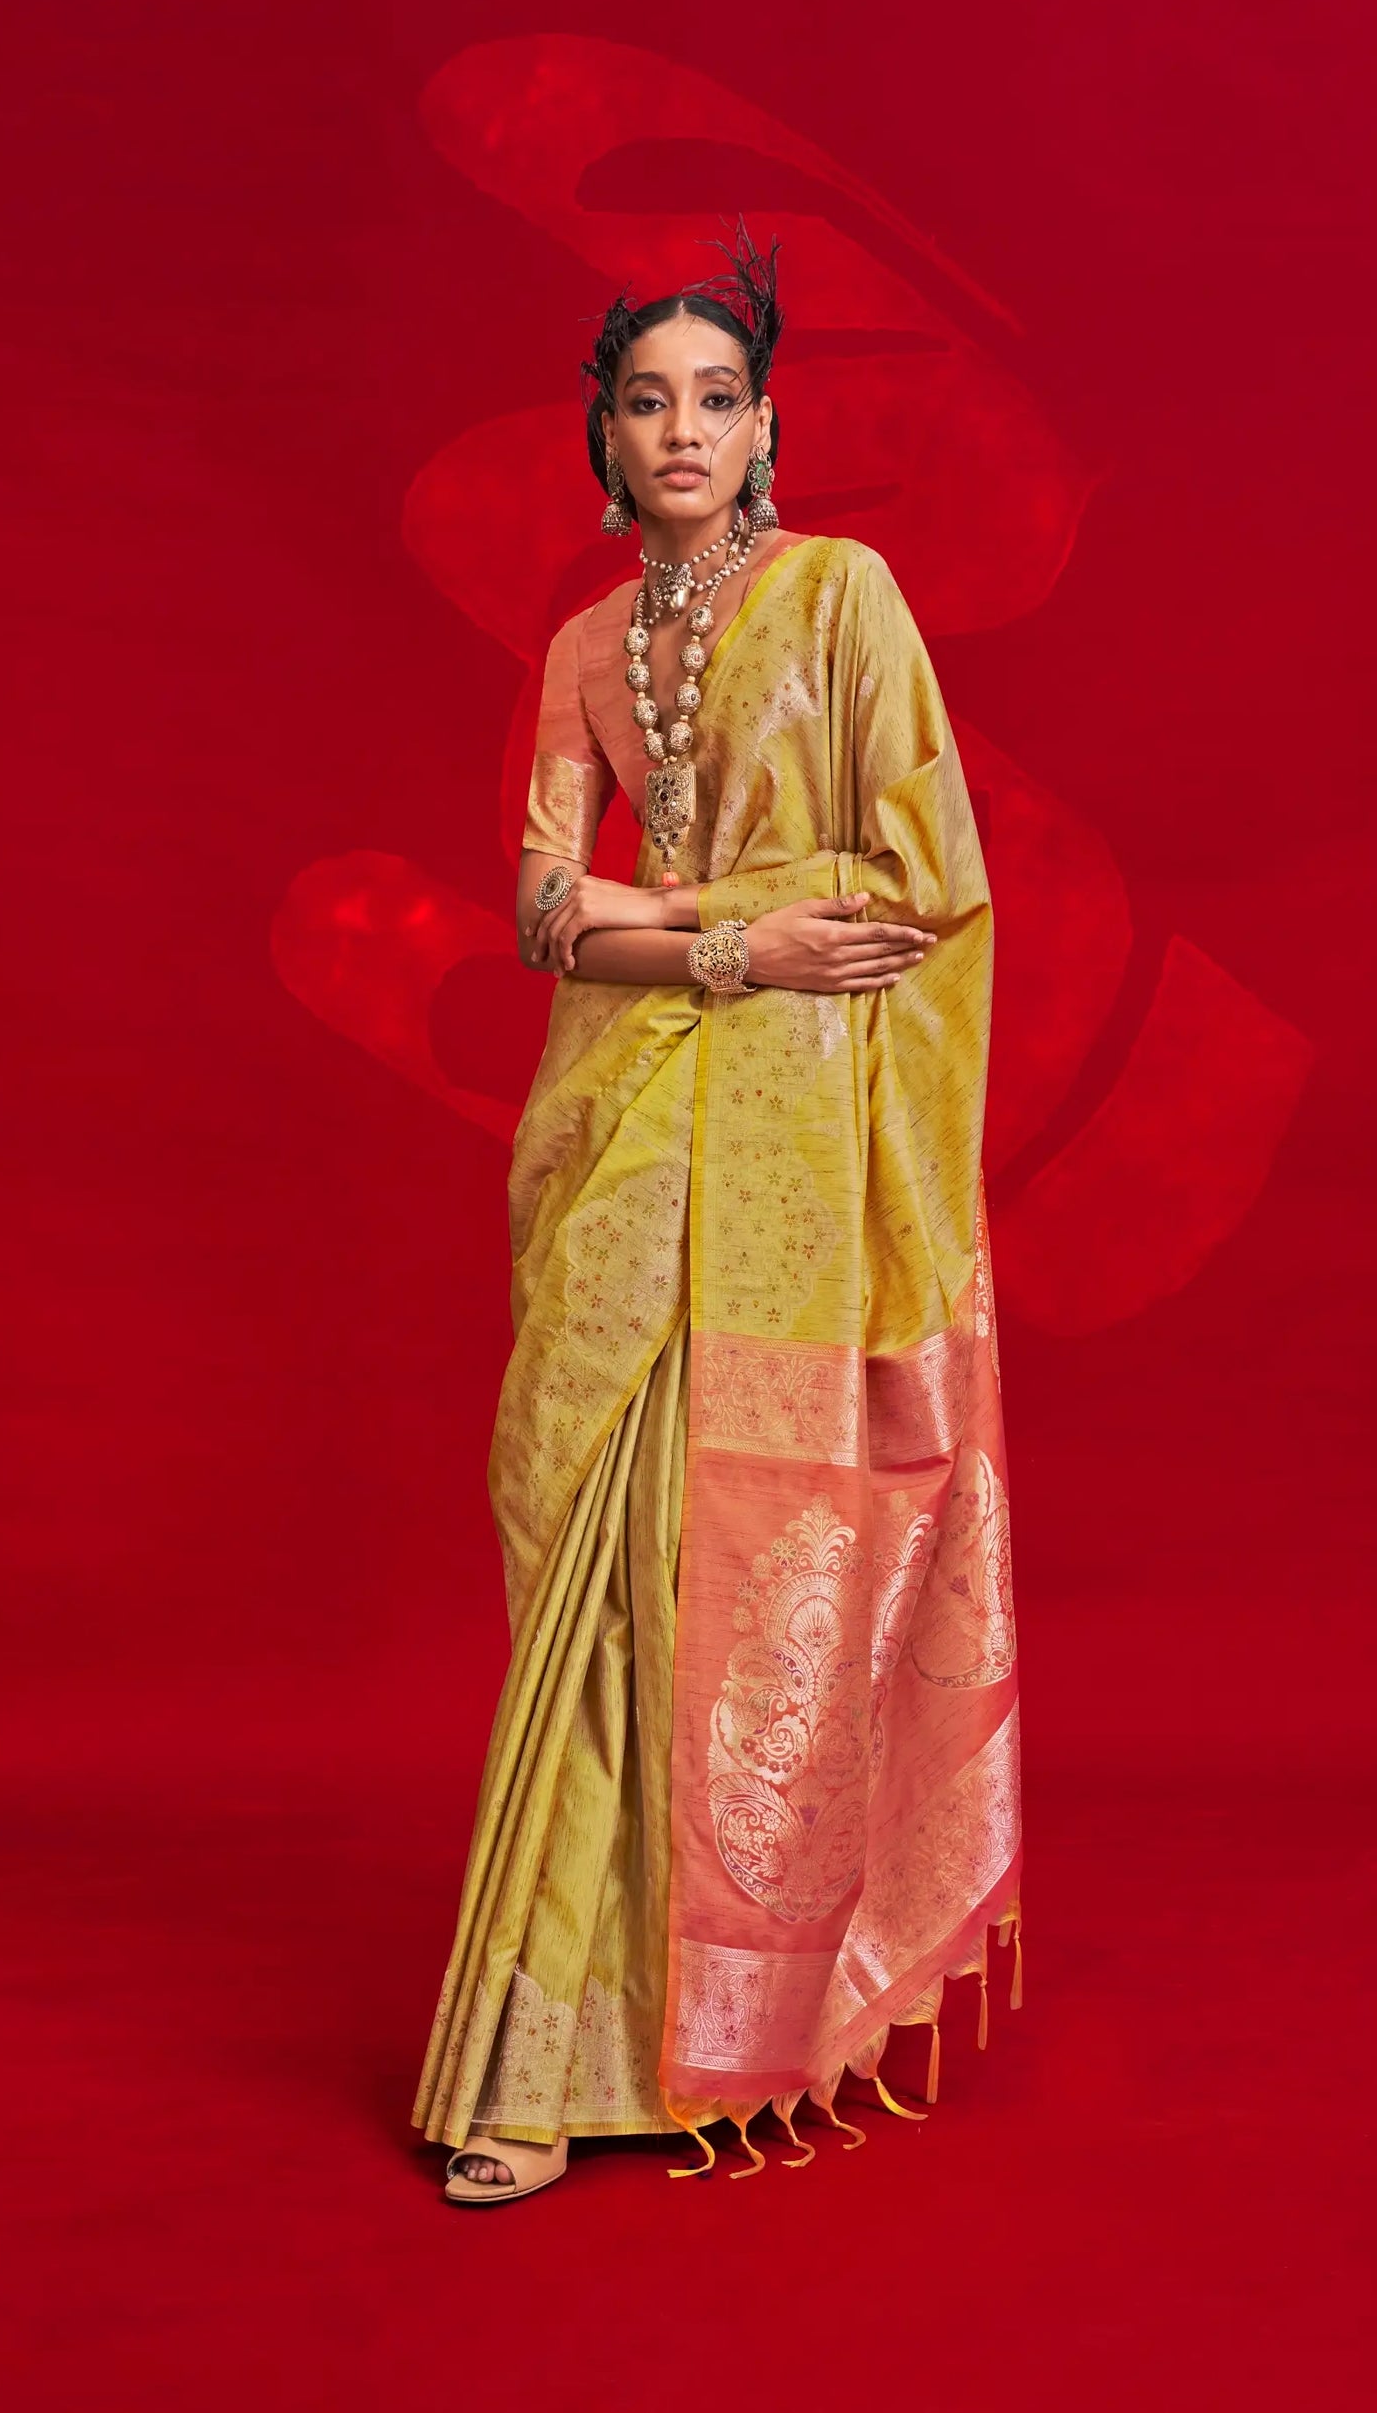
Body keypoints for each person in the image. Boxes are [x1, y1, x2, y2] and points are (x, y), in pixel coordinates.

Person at [414, 227, 1022, 2203]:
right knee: (578, 1548)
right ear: (602, 437)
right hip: (613, 1131)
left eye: (715, 398)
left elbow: (913, 882)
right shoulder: (585, 647)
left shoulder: (844, 600)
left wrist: (653, 919)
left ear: (767, 428)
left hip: (787, 1158)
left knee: (735, 1576)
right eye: (644, 400)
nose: (681, 429)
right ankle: (554, 2027)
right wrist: (732, 935)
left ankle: (652, 2048)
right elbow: (537, 908)